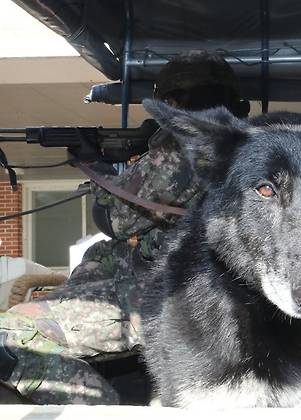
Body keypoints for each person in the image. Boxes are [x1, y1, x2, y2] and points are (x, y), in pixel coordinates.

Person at [0, 52, 249, 404]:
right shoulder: (245, 146)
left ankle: (100, 408)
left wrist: (93, 164)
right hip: (215, 296)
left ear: (172, 102)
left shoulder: (186, 148)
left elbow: (112, 218)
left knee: (9, 335)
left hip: (179, 303)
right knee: (100, 255)